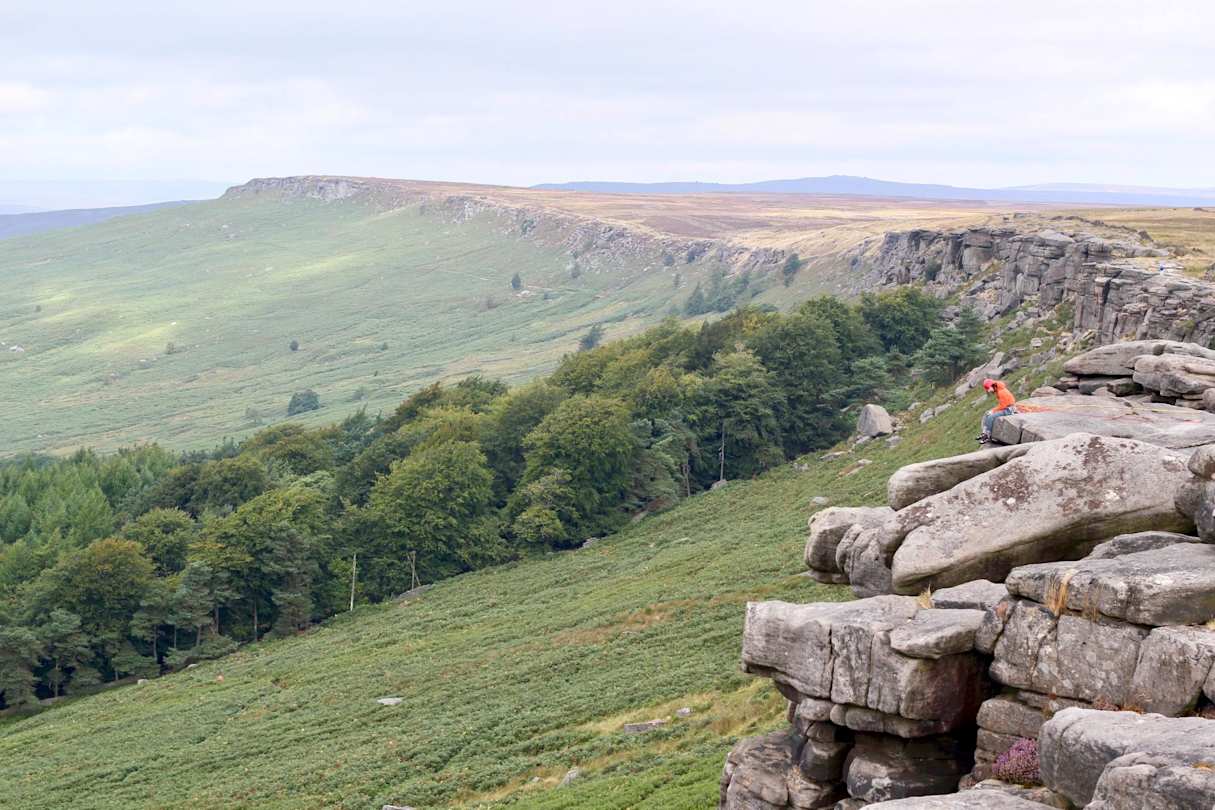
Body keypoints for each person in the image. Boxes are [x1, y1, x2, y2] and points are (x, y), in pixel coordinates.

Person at [978, 378, 1017, 443]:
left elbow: (1003, 406)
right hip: (1006, 407)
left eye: (988, 388)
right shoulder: (998, 389)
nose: (988, 391)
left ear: (992, 385)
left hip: (1009, 410)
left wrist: (993, 411)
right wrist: (993, 410)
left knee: (991, 417)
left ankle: (987, 436)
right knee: (987, 414)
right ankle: (984, 433)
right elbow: (1002, 404)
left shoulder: (1001, 392)